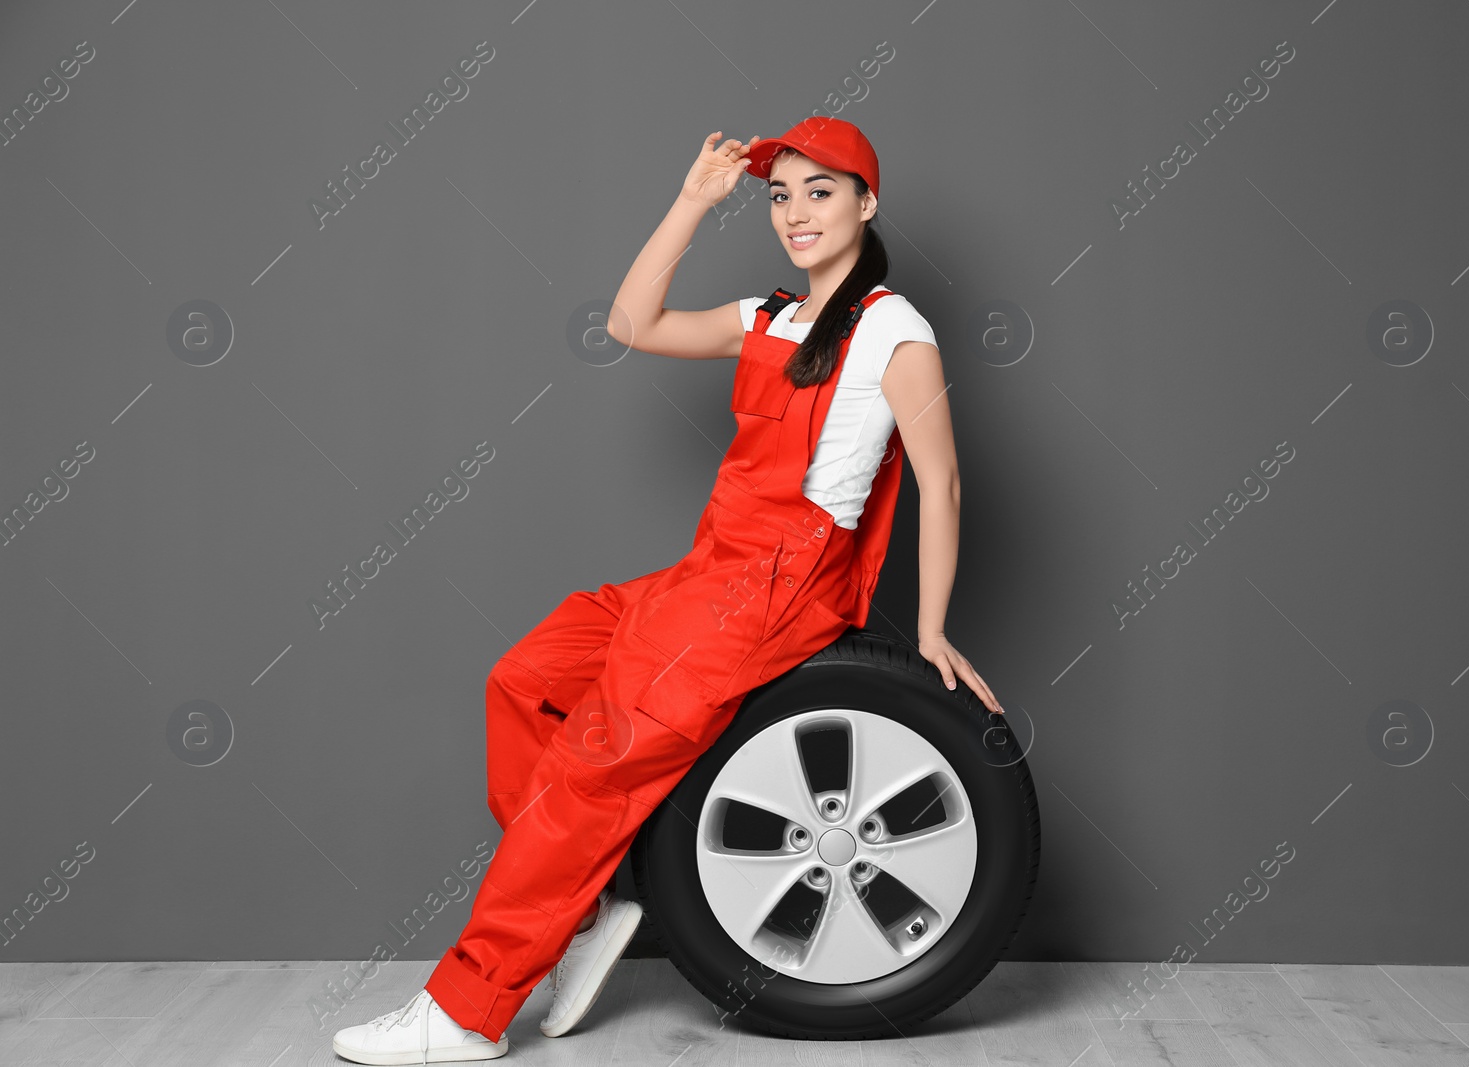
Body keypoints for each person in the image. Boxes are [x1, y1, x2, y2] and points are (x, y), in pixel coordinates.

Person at [330, 116, 1002, 1064]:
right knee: (524, 680)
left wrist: (930, 627)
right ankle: (594, 907)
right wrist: (693, 201)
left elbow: (942, 479)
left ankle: (466, 1011)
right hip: (711, 565)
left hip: (772, 582)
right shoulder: (769, 317)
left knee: (588, 769)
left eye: (821, 191)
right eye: (780, 196)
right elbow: (630, 323)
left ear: (867, 202)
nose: (797, 213)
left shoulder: (893, 329)